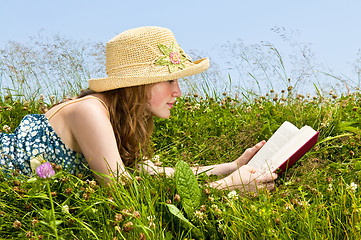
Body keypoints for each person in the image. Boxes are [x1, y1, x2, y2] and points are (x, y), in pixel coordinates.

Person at [0, 26, 277, 192]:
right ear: (138, 84)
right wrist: (226, 188)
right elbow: (123, 193)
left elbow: (149, 173)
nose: (178, 91)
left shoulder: (119, 116)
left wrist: (231, 167)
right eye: (169, 79)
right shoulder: (91, 112)